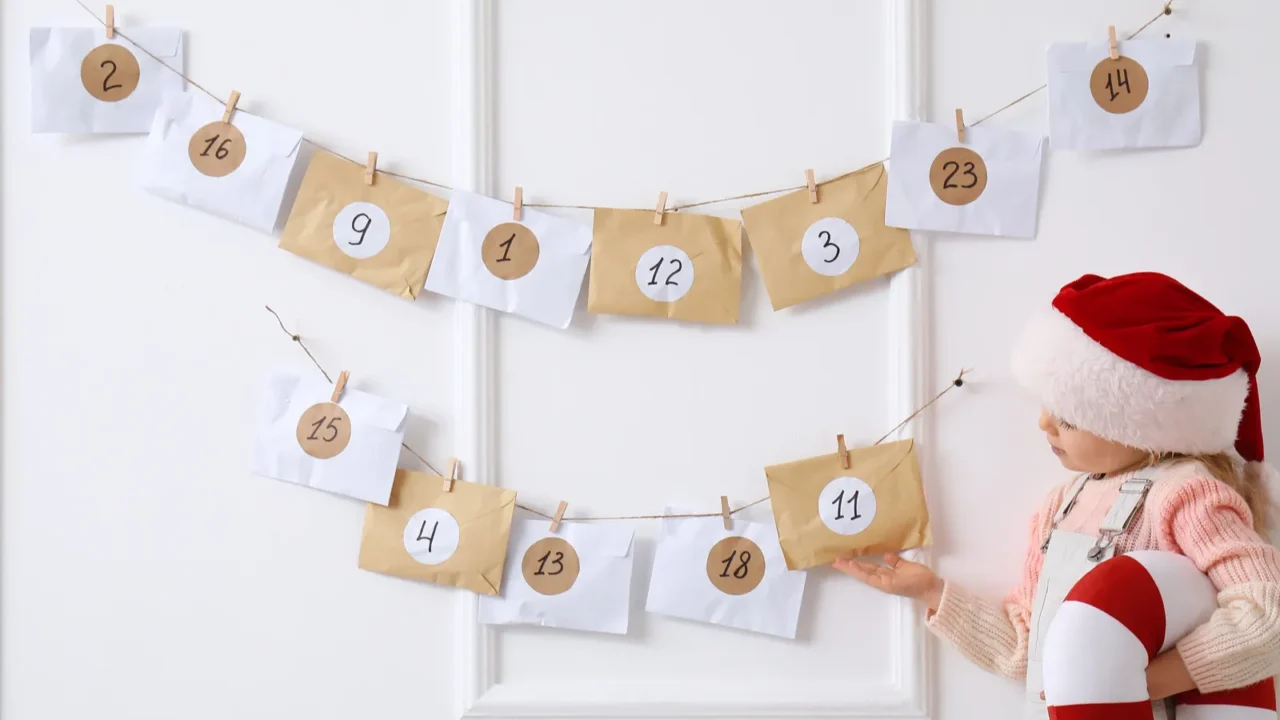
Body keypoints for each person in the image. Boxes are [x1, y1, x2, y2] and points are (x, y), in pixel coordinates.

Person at [835, 272, 1280, 719]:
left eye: (1067, 416)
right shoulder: (1060, 506)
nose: (1044, 425)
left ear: (1141, 425)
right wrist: (931, 592)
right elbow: (1028, 652)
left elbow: (1266, 615)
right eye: (1046, 407)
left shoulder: (1185, 495)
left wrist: (1136, 684)